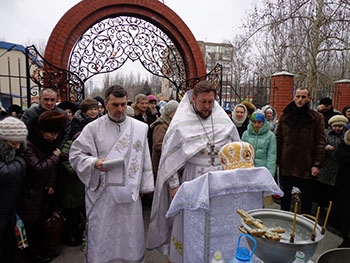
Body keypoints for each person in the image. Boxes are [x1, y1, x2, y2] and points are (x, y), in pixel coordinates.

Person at [147, 80, 240, 259]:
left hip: (219, 182)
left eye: (211, 102)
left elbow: (235, 151)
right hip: (192, 180)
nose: (207, 106)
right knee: (190, 223)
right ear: (193, 100)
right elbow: (169, 160)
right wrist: (174, 185)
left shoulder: (224, 123)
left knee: (215, 224)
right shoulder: (180, 125)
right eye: (203, 102)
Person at [69, 85, 154, 263]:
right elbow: (76, 155)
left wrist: (144, 186)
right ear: (106, 104)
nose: (120, 109)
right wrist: (94, 163)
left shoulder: (139, 128)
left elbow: (145, 156)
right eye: (115, 105)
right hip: (102, 193)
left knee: (129, 234)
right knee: (102, 233)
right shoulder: (93, 128)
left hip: (130, 193)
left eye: (123, 104)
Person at [17, 111, 68, 263]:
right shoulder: (29, 144)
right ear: (42, 131)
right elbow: (38, 167)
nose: (55, 138)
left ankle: (43, 248)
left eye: (57, 134)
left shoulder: (47, 142)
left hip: (43, 189)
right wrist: (55, 155)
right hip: (30, 191)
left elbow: (51, 168)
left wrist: (51, 183)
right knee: (31, 225)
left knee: (40, 223)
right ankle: (34, 255)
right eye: (52, 134)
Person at [276, 87, 326, 215]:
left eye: (303, 97)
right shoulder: (284, 115)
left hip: (306, 163)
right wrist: (277, 160)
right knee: (285, 195)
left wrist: (317, 164)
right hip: (287, 162)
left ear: (309, 98)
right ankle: (284, 220)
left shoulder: (317, 117)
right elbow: (279, 138)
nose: (300, 100)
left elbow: (320, 142)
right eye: (298, 96)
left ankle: (305, 223)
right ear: (293, 97)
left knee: (307, 197)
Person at [0, 117, 28, 263]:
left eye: (19, 143)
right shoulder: (17, 159)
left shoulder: (11, 154)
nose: (17, 147)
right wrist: (21, 161)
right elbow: (5, 172)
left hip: (9, 213)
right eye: (13, 143)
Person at [313, 115, 348, 216]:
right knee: (323, 190)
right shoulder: (326, 133)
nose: (337, 128)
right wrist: (325, 146)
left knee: (335, 191)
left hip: (339, 168)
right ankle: (321, 209)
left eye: (340, 126)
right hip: (326, 166)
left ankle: (332, 211)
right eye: (335, 126)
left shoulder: (346, 135)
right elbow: (319, 144)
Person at [242, 109, 277, 206]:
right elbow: (242, 152)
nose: (256, 125)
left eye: (259, 122)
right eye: (254, 122)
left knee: (260, 198)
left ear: (263, 122)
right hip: (248, 169)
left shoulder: (270, 136)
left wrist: (269, 173)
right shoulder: (246, 134)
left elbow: (271, 155)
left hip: (262, 170)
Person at [150, 100, 179, 180]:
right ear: (172, 114)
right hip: (161, 163)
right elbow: (158, 145)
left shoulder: (170, 123)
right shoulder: (161, 126)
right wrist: (175, 146)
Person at [333, 129, 350, 247]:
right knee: (344, 212)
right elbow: (340, 156)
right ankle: (346, 237)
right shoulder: (345, 144)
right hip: (344, 183)